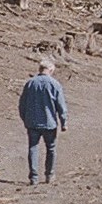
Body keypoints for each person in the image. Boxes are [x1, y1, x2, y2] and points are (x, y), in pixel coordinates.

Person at [19, 58, 67, 186]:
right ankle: (49, 175)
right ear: (50, 70)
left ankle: (33, 177)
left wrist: (25, 118)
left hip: (32, 123)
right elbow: (61, 105)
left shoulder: (30, 83)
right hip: (49, 122)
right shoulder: (55, 84)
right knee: (51, 148)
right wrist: (63, 122)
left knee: (33, 148)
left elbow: (22, 104)